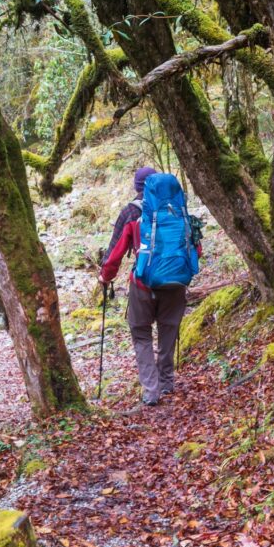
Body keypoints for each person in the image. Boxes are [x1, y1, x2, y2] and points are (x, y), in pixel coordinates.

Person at [99, 167, 197, 406]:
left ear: (137, 186)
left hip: (143, 285)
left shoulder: (131, 213)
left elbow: (115, 254)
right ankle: (166, 383)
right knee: (168, 330)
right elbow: (195, 248)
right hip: (175, 284)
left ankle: (151, 390)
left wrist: (105, 277)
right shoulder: (178, 210)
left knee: (141, 332)